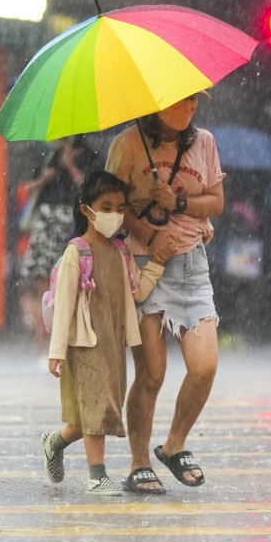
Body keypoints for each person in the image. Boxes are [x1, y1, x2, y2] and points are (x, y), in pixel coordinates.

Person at [105, 92, 224, 494]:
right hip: (143, 265)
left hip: (192, 265)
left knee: (204, 366)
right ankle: (139, 463)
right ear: (157, 102)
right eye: (183, 100)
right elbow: (112, 205)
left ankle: (174, 445)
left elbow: (217, 203)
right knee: (152, 373)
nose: (191, 108)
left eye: (196, 101)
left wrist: (181, 201)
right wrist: (149, 236)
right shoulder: (127, 144)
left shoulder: (203, 142)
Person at [42, 171, 175, 495]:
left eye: (120, 207)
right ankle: (96, 475)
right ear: (87, 210)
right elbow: (63, 309)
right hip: (84, 345)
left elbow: (137, 293)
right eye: (106, 207)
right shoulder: (77, 253)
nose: (114, 215)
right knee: (97, 409)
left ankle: (55, 442)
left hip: (113, 345)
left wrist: (156, 263)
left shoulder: (121, 252)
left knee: (94, 413)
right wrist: (56, 351)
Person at [18, 137, 96, 352]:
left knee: (70, 278)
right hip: (45, 220)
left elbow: (90, 190)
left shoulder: (88, 155)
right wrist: (46, 177)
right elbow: (28, 188)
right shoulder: (48, 155)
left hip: (71, 219)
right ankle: (43, 340)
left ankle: (66, 337)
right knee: (42, 279)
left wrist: (70, 165)